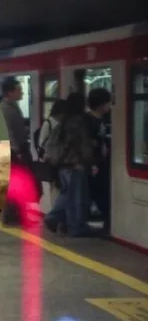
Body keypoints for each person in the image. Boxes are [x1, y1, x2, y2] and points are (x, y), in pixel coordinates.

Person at [43, 92, 95, 237]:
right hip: (74, 164)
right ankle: (75, 227)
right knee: (76, 197)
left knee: (67, 194)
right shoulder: (77, 122)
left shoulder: (64, 121)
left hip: (62, 164)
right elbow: (82, 144)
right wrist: (87, 161)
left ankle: (55, 218)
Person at [0, 77, 31, 225]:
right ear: (10, 92)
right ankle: (10, 216)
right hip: (12, 152)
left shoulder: (13, 107)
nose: (22, 93)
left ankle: (15, 214)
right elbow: (8, 132)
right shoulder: (5, 109)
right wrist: (16, 150)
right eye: (19, 90)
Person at [86, 87, 112, 235]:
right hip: (95, 164)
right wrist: (93, 163)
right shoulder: (89, 121)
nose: (109, 106)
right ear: (101, 104)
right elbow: (88, 144)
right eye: (107, 103)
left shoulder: (104, 119)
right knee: (99, 193)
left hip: (103, 162)